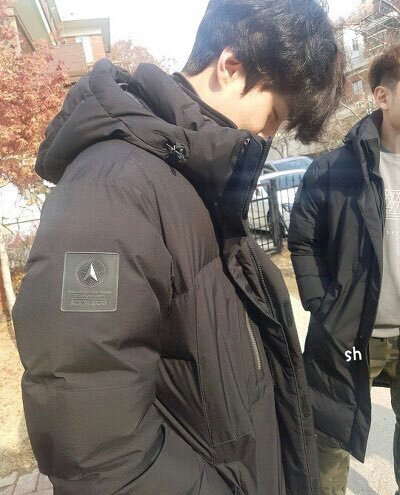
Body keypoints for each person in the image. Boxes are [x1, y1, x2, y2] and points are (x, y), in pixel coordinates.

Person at [12, 1, 344, 493]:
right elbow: (93, 446)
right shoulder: (114, 186)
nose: (268, 136)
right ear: (231, 65)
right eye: (274, 114)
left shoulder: (192, 178)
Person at [288, 44, 400, 495]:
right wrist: (323, 304)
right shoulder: (333, 170)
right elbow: (302, 239)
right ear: (382, 96)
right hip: (352, 336)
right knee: (331, 434)